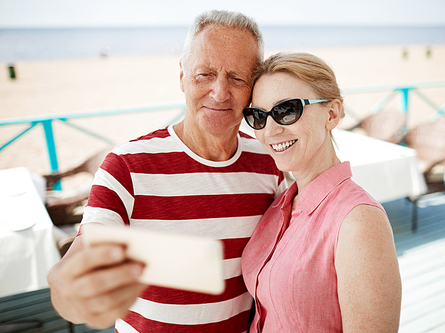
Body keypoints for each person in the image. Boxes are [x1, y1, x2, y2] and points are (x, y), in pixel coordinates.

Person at [47, 10, 286, 332]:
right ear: (182, 76)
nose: (219, 92)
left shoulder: (272, 163)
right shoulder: (126, 165)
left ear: (254, 86)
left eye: (237, 77)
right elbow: (83, 255)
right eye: (205, 74)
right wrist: (70, 290)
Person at [241, 52, 402, 332]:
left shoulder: (358, 222)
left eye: (287, 110)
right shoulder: (280, 205)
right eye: (258, 116)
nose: (270, 130)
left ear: (332, 114)